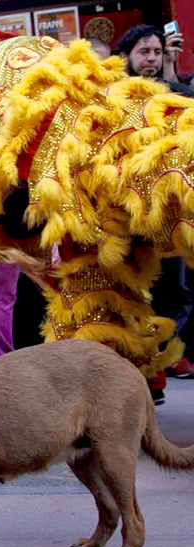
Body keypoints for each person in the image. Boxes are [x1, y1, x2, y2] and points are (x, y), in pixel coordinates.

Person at [117, 24, 194, 398]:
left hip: (169, 218)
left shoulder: (177, 96)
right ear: (126, 57)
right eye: (143, 52)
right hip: (127, 217)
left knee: (175, 295)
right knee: (130, 296)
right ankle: (140, 377)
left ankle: (157, 361)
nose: (150, 59)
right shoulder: (115, 99)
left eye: (156, 52)